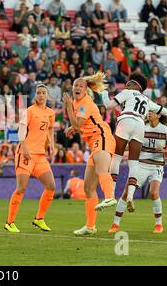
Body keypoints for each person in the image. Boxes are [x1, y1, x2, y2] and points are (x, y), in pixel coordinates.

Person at [100, 73, 167, 210]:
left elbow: (108, 106)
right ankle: (130, 195)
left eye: (129, 83)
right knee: (133, 162)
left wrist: (104, 93)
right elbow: (163, 110)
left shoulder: (127, 92)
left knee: (116, 157)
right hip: (140, 125)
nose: (126, 85)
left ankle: (110, 195)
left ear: (135, 85)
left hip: (126, 120)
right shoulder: (147, 100)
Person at [63, 73, 116, 236]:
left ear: (86, 90)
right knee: (88, 187)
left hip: (102, 137)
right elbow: (80, 124)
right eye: (75, 85)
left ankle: (110, 196)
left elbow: (78, 123)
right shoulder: (77, 103)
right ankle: (90, 226)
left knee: (102, 170)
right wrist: (74, 125)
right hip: (94, 143)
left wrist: (68, 107)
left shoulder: (84, 102)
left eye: (81, 85)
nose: (77, 87)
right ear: (72, 88)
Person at [108, 112, 167, 234]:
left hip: (157, 166)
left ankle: (159, 225)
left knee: (153, 192)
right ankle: (115, 224)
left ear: (159, 116)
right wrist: (118, 147)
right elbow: (131, 146)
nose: (149, 114)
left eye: (152, 112)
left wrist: (163, 150)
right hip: (141, 165)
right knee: (126, 193)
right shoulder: (141, 128)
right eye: (148, 112)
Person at [5, 84, 56, 233]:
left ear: (47, 95)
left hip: (40, 155)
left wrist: (51, 144)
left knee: (51, 186)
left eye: (44, 93)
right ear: (35, 95)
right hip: (25, 153)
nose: (41, 95)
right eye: (38, 93)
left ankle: (39, 218)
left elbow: (50, 129)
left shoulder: (50, 113)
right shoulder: (29, 111)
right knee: (21, 188)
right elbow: (21, 130)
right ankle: (10, 222)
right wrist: (25, 147)